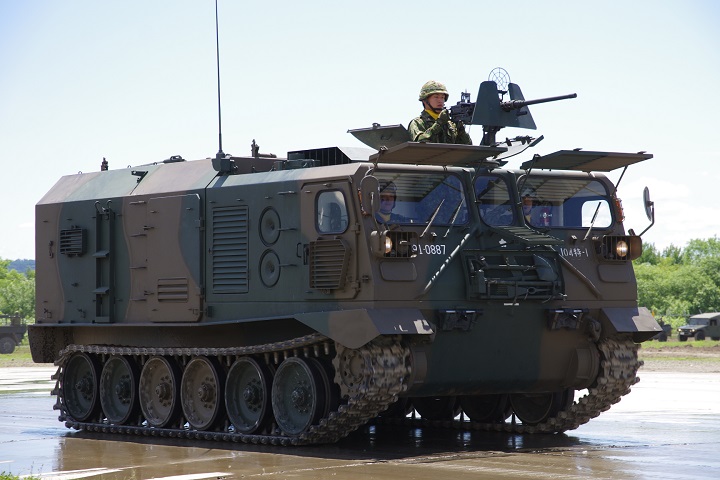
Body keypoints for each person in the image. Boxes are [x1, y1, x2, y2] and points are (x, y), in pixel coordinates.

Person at [408, 80, 472, 145]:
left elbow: (467, 145)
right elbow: (421, 143)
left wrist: (461, 128)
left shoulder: (450, 124)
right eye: (436, 97)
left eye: (442, 97)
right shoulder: (417, 123)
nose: (440, 101)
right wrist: (439, 123)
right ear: (425, 100)